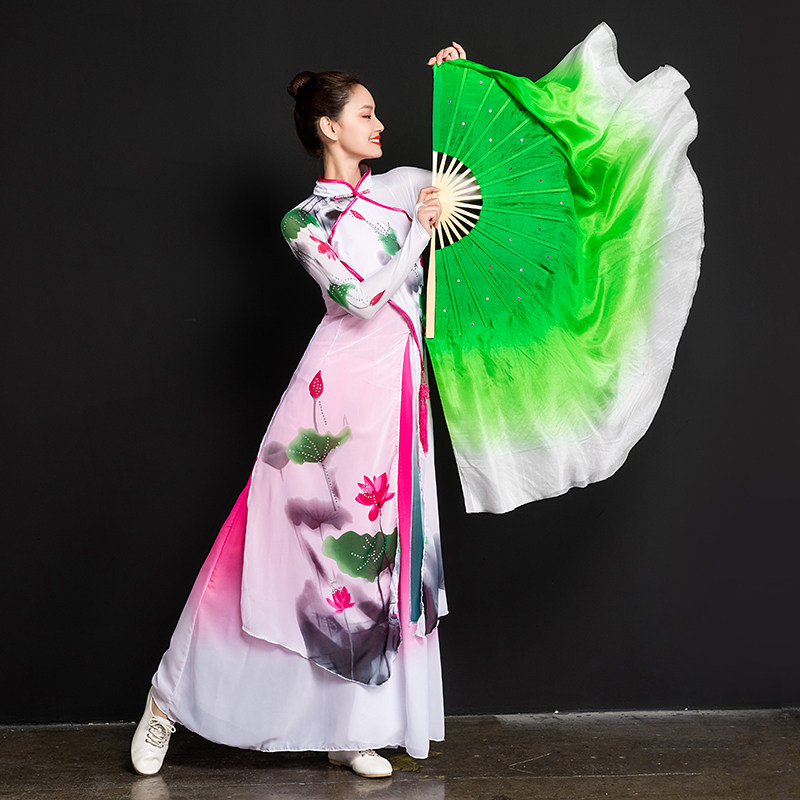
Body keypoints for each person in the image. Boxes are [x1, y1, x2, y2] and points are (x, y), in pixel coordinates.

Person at [130, 41, 466, 780]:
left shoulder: (406, 185)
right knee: (277, 553)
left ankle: (352, 728)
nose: (381, 124)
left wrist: (460, 83)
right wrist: (419, 232)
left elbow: (471, 171)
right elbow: (360, 297)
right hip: (330, 403)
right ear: (328, 127)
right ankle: (168, 697)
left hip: (398, 397)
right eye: (366, 114)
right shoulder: (302, 222)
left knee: (375, 562)